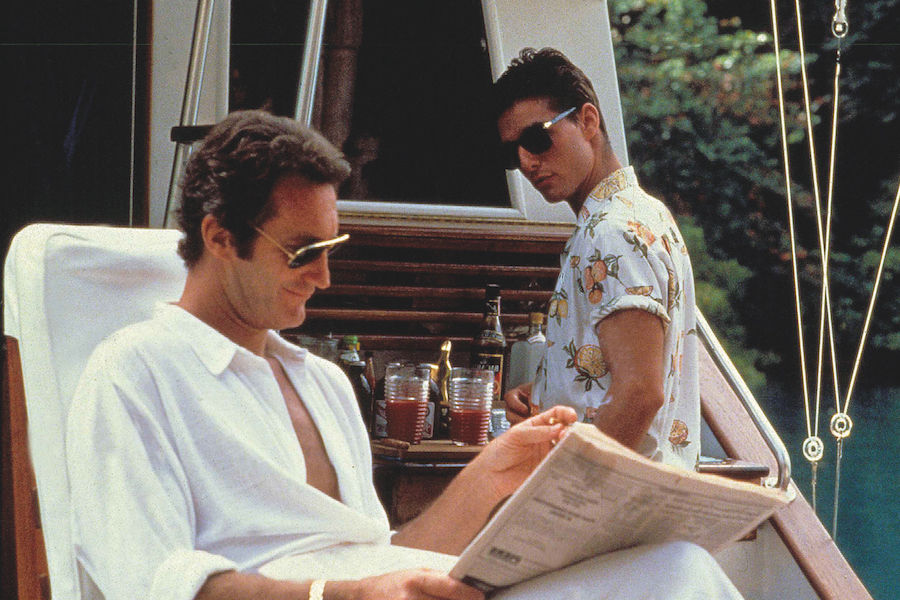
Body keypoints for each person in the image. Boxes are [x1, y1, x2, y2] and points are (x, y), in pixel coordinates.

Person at [66, 110, 741, 600]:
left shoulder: (322, 383)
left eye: (332, 251)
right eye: (304, 252)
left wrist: (494, 472)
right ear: (219, 237)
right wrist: (344, 598)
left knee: (675, 570)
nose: (323, 278)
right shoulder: (135, 372)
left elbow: (382, 556)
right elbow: (151, 583)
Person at [496, 48, 701, 472]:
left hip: (614, 507)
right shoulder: (647, 214)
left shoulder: (610, 232)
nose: (527, 162)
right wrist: (548, 385)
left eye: (536, 139)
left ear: (588, 121)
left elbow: (641, 391)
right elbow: (634, 368)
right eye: (512, 152)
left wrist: (568, 487)